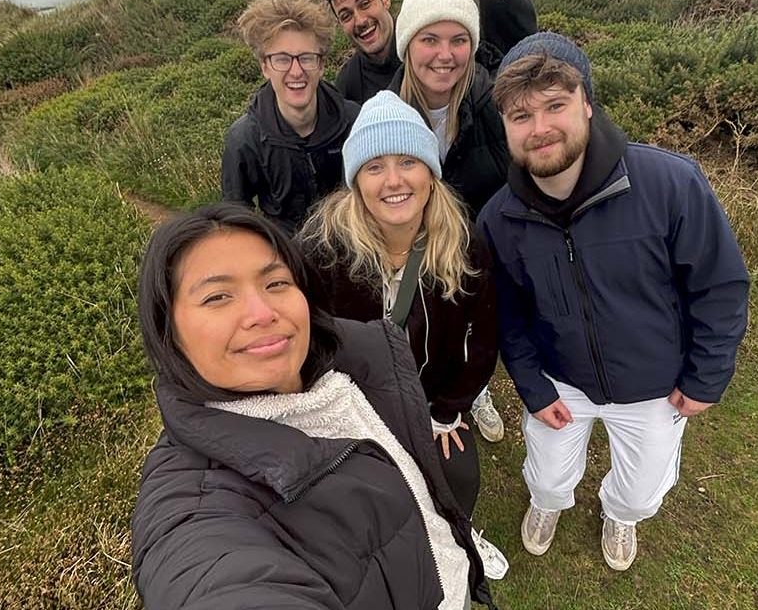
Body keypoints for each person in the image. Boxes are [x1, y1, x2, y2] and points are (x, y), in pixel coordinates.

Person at [130, 202, 496, 610]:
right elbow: (214, 580)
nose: (262, 313)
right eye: (218, 296)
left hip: (449, 580)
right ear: (168, 333)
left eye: (276, 284)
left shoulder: (356, 366)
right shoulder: (196, 513)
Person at [477, 32, 750, 571]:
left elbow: (719, 285)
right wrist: (532, 386)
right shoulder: (498, 219)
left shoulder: (669, 183)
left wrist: (706, 376)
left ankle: (619, 513)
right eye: (520, 116)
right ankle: (548, 503)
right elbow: (507, 317)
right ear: (505, 127)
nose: (541, 128)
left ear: (587, 103)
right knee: (549, 473)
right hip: (561, 380)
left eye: (555, 105)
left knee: (642, 486)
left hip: (656, 386)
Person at [298, 91, 508, 580]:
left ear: (431, 175)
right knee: (369, 497)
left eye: (408, 161)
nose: (393, 180)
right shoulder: (320, 249)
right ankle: (401, 557)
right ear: (355, 182)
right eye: (374, 166)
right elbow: (301, 341)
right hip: (352, 408)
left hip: (430, 402)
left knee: (458, 476)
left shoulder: (463, 242)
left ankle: (459, 536)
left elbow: (484, 337)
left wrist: (450, 409)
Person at [384, 0, 536, 441]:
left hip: (482, 245)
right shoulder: (386, 111)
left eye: (458, 39)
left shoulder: (491, 99)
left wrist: (507, 1)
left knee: (479, 323)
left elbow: (531, 54)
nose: (445, 55)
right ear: (407, 45)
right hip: (416, 247)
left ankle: (478, 388)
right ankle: (446, 390)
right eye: (430, 39)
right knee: (436, 325)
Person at [221, 0, 359, 234]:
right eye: (282, 59)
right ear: (265, 66)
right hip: (285, 257)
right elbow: (237, 220)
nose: (296, 71)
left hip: (348, 251)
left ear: (321, 64)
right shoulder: (244, 140)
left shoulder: (354, 122)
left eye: (306, 58)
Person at [327, 0, 537, 106]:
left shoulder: (433, 37)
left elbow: (512, 60)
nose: (360, 20)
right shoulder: (349, 82)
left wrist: (506, 1)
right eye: (346, 15)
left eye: (364, 3)